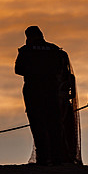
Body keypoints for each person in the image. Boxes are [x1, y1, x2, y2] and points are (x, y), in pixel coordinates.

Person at [15, 26, 81, 165]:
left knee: (38, 125)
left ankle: (43, 157)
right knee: (55, 125)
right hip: (52, 92)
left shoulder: (26, 50)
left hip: (34, 92)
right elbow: (64, 71)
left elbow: (18, 69)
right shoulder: (55, 50)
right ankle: (58, 157)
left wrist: (34, 71)